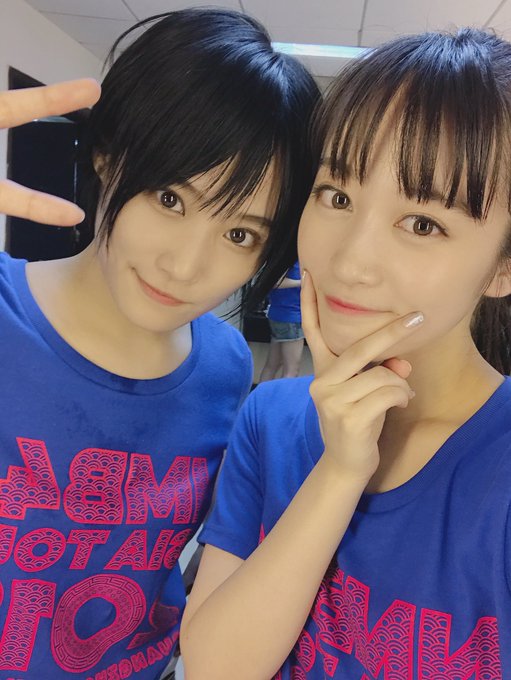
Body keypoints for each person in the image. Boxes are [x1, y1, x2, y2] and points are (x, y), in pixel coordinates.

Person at [181, 27, 511, 679]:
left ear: (502, 266)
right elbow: (216, 667)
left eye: (423, 223)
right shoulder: (270, 419)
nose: (349, 261)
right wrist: (338, 471)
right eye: (336, 196)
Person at [0, 8, 320, 679]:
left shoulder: (226, 367)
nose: (185, 265)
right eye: (169, 198)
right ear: (108, 156)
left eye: (240, 234)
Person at [259, 261, 304, 382]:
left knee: (273, 365)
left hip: (279, 315)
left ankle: (262, 394)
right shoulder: (291, 257)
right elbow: (274, 282)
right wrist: (302, 282)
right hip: (291, 317)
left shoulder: (282, 256)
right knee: (292, 370)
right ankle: (282, 395)